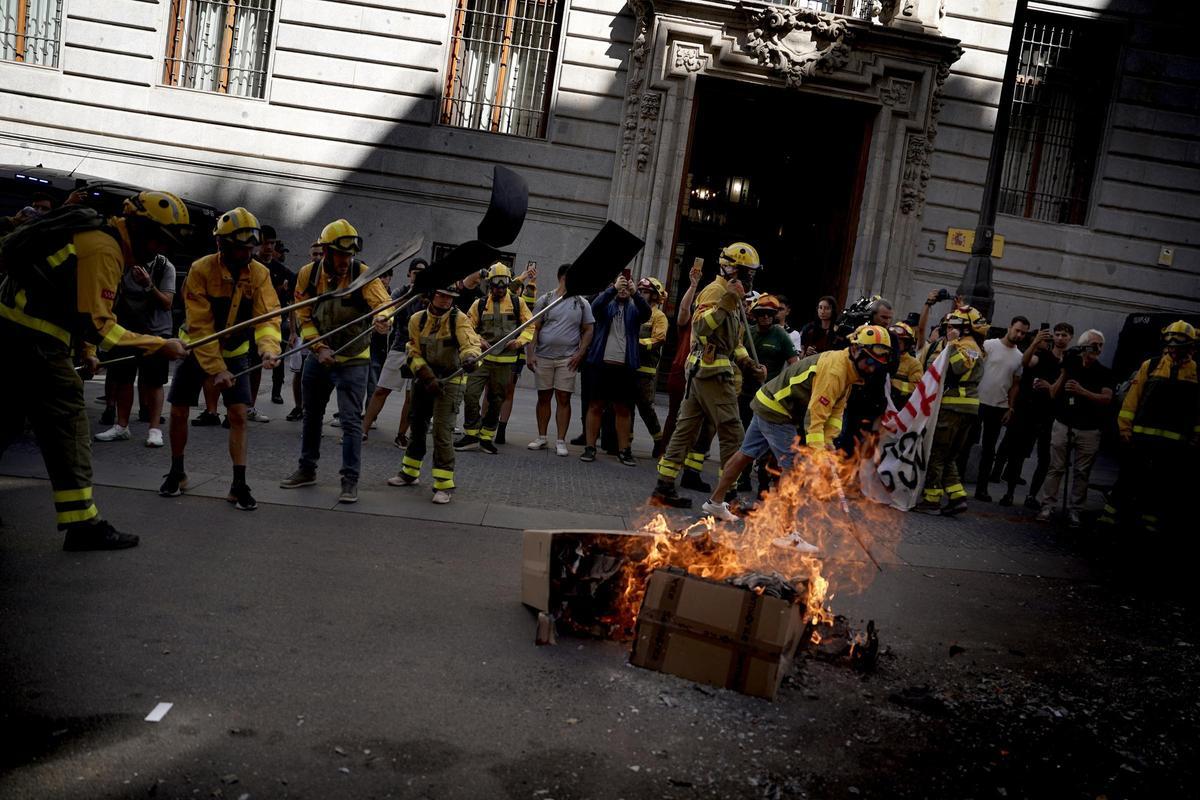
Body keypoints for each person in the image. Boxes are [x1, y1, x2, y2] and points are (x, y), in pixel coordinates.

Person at [1, 190, 189, 549]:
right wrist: (159, 345)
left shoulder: (96, 237)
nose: (156, 248)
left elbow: (71, 299)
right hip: (35, 344)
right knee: (70, 429)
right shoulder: (105, 249)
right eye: (156, 238)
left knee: (6, 421)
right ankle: (83, 525)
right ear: (137, 227)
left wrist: (85, 349)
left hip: (13, 334)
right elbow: (101, 324)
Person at [702, 325, 894, 552]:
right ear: (855, 350)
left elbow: (835, 412)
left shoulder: (848, 371)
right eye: (869, 362)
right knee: (793, 471)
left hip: (768, 401)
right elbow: (815, 417)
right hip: (778, 411)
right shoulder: (835, 371)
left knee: (746, 453)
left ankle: (714, 503)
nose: (871, 368)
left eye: (877, 364)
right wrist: (818, 452)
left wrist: (828, 442)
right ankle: (786, 534)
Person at [159, 207, 281, 511]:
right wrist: (216, 370)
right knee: (178, 411)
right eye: (239, 248)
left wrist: (269, 349)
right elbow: (200, 324)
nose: (246, 254)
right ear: (221, 245)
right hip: (196, 349)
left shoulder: (260, 274)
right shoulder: (201, 270)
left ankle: (239, 485)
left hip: (236, 354)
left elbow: (267, 318)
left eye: (249, 248)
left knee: (238, 415)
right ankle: (177, 472)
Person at [277, 219, 391, 504]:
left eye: (349, 254)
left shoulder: (362, 274)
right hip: (320, 357)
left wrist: (383, 320)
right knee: (312, 415)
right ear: (326, 251)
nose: (345, 260)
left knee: (351, 422)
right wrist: (318, 348)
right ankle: (307, 469)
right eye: (340, 254)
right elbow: (304, 316)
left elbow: (383, 305)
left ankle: (349, 480)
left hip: (353, 360)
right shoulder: (308, 274)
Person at [652, 242, 764, 508]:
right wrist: (728, 300)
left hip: (707, 371)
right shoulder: (717, 291)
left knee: (686, 428)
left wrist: (748, 364)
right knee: (732, 432)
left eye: (751, 273)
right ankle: (729, 495)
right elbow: (701, 327)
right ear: (729, 268)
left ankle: (664, 486)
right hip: (712, 373)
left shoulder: (731, 293)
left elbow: (733, 340)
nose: (750, 278)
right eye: (746, 272)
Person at [1100, 321, 1198, 536]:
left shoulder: (1195, 373)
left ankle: (1148, 523)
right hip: (1141, 438)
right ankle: (1109, 518)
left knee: (1160, 484)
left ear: (1190, 346)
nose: (1173, 350)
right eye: (1170, 345)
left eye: (1178, 346)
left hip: (1174, 443)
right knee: (1128, 479)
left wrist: (1194, 436)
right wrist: (1125, 429)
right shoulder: (1151, 366)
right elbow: (1131, 401)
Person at [387, 286, 482, 504]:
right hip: (425, 379)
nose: (446, 300)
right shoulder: (417, 320)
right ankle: (409, 472)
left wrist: (470, 359)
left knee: (442, 430)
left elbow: (471, 344)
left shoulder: (460, 319)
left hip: (451, 381)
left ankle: (443, 484)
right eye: (441, 295)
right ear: (431, 295)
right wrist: (427, 377)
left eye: (450, 296)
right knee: (417, 424)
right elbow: (412, 351)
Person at [93, 253, 177, 447]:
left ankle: (154, 430)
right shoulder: (122, 264)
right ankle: (121, 426)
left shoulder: (165, 267)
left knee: (154, 381)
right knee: (123, 378)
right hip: (127, 328)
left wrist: (148, 284)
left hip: (156, 331)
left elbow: (167, 303)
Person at [914, 306, 988, 516]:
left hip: (954, 408)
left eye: (953, 327)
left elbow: (958, 369)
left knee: (937, 452)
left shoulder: (966, 345)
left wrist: (953, 344)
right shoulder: (971, 345)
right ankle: (956, 497)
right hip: (965, 408)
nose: (948, 330)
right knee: (949, 456)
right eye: (948, 327)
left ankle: (931, 499)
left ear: (965, 329)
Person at [1035, 330, 1114, 527]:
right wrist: (1064, 373)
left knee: (1082, 472)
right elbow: (1054, 393)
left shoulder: (1104, 372)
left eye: (1100, 345)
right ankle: (1047, 506)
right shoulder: (1070, 366)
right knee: (1056, 467)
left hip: (1089, 429)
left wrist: (1082, 391)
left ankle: (1075, 510)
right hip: (1064, 423)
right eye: (1093, 345)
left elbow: (1106, 398)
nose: (1097, 349)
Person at [993, 322, 1073, 508]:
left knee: (1045, 458)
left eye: (1065, 335)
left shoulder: (1070, 360)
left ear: (1070, 338)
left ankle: (1031, 496)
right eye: (1058, 334)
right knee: (1017, 454)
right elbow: (1026, 362)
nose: (1060, 338)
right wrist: (1035, 343)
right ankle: (1010, 493)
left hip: (1052, 415)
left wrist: (1051, 386)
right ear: (1053, 336)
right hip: (1029, 411)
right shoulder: (1042, 355)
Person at [456, 263, 533, 454]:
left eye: (503, 284)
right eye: (496, 285)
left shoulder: (517, 303)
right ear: (489, 284)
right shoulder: (480, 304)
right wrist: (479, 339)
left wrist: (520, 342)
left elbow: (530, 325)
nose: (499, 288)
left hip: (505, 363)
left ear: (508, 284)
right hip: (482, 359)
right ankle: (471, 434)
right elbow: (466, 327)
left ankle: (486, 437)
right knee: (471, 394)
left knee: (496, 399)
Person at [580, 276, 652, 465]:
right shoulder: (606, 306)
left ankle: (624, 450)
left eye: (626, 288)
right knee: (595, 405)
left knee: (623, 409)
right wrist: (612, 289)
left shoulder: (635, 309)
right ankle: (590, 447)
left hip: (625, 367)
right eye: (620, 287)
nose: (623, 290)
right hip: (601, 364)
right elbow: (594, 307)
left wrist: (635, 293)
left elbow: (647, 313)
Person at [526, 262, 594, 456]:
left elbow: (589, 329)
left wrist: (580, 353)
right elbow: (534, 328)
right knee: (543, 396)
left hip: (568, 359)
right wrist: (530, 354)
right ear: (563, 278)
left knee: (563, 397)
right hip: (543, 357)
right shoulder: (546, 300)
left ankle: (560, 440)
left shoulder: (582, 302)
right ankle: (541, 437)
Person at [735, 294, 798, 493]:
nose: (766, 318)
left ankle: (764, 483)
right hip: (746, 394)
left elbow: (793, 365)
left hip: (770, 399)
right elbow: (735, 355)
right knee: (744, 438)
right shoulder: (747, 333)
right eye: (762, 314)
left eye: (770, 314)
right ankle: (742, 479)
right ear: (754, 316)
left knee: (769, 445)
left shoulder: (780, 335)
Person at [658, 259, 714, 484]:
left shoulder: (718, 323)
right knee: (677, 416)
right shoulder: (690, 322)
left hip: (705, 376)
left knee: (698, 423)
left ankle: (685, 464)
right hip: (682, 371)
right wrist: (693, 286)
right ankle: (667, 456)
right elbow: (683, 310)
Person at [362, 259, 428, 446]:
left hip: (421, 352)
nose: (418, 276)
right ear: (409, 274)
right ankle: (363, 430)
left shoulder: (429, 294)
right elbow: (389, 308)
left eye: (423, 272)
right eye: (415, 272)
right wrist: (385, 320)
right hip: (400, 347)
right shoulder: (401, 292)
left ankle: (401, 435)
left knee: (412, 396)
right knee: (381, 389)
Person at [973, 316, 1029, 501]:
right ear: (1010, 327)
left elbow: (1015, 385)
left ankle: (981, 489)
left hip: (998, 407)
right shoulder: (989, 345)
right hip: (977, 402)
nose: (1019, 334)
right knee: (966, 443)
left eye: (1023, 333)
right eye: (1017, 330)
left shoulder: (1020, 357)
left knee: (989, 450)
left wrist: (1010, 408)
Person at [836, 296, 896, 455]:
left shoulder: (892, 338)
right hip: (850, 396)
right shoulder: (857, 333)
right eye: (883, 317)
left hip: (873, 400)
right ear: (873, 314)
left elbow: (892, 367)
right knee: (842, 440)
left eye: (889, 318)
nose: (887, 321)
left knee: (863, 445)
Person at [495, 264, 538, 445]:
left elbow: (531, 308)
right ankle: (482, 426)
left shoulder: (521, 303)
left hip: (515, 352)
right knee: (491, 389)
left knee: (508, 391)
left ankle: (501, 430)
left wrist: (531, 283)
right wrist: (521, 277)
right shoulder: (497, 299)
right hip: (495, 349)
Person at [258, 224, 295, 407]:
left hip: (276, 321)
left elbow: (296, 294)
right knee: (252, 365)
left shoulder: (282, 271)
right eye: (266, 243)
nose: (270, 248)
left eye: (273, 244)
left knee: (275, 357)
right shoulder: (251, 265)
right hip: (254, 321)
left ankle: (276, 392)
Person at [633, 277, 669, 452]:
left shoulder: (658, 316)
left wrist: (637, 344)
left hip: (645, 369)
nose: (641, 294)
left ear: (655, 296)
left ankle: (659, 441)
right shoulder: (635, 311)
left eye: (645, 292)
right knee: (626, 405)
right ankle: (626, 440)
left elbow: (659, 338)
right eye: (639, 291)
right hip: (629, 366)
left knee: (645, 407)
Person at [888, 321, 923, 409]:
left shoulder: (914, 364)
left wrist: (894, 384)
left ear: (907, 344)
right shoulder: (882, 358)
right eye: (892, 341)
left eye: (898, 343)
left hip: (899, 407)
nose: (893, 345)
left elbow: (916, 388)